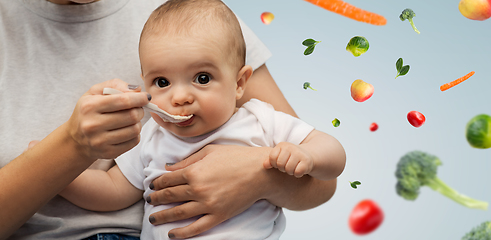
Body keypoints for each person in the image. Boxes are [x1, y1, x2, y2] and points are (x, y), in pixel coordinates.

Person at [0, 0, 342, 239]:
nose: (179, 96)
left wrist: (298, 160)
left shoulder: (260, 120)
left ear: (240, 83)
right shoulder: (151, 136)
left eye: (202, 78)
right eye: (162, 83)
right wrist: (59, 163)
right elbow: (115, 190)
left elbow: (327, 163)